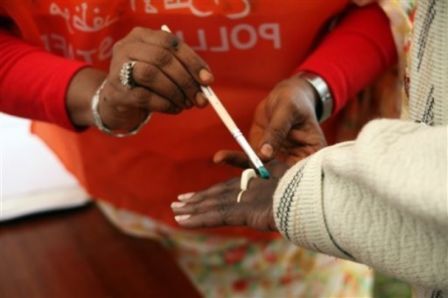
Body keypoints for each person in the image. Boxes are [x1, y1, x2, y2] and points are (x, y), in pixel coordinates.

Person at [0, 0, 404, 296]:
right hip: (115, 202)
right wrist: (98, 97)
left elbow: (400, 12)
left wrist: (317, 85)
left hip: (289, 220)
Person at [170, 0, 448, 297]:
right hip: (134, 211)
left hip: (302, 229)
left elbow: (393, 8)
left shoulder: (321, 201)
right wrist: (114, 95)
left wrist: (316, 198)